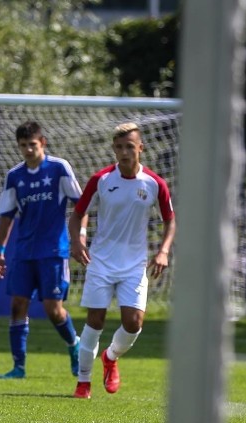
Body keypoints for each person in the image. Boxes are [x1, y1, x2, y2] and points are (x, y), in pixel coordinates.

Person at [67, 122, 176, 399]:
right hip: (101, 262)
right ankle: (83, 382)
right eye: (119, 147)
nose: (124, 152)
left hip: (134, 264)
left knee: (134, 322)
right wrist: (77, 241)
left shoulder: (154, 184)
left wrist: (163, 250)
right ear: (114, 149)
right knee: (95, 320)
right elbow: (78, 213)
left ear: (141, 148)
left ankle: (111, 356)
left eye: (130, 146)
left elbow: (170, 221)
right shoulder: (101, 180)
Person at [0, 120, 85, 380]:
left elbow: (80, 205)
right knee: (17, 305)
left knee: (53, 310)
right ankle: (18, 367)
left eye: (32, 144)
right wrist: (0, 250)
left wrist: (80, 237)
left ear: (42, 143)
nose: (28, 150)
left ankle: (74, 344)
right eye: (23, 146)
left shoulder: (58, 168)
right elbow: (6, 216)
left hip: (53, 251)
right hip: (24, 252)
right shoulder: (15, 176)